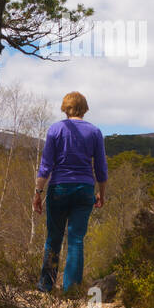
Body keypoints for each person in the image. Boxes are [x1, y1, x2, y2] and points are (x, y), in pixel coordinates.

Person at [34, 91, 107, 295]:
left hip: (59, 188)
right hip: (84, 189)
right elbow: (101, 167)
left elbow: (46, 165)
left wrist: (38, 192)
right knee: (76, 240)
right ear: (84, 108)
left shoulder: (56, 130)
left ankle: (45, 286)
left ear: (65, 108)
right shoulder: (94, 132)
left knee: (54, 238)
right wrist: (101, 193)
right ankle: (71, 292)